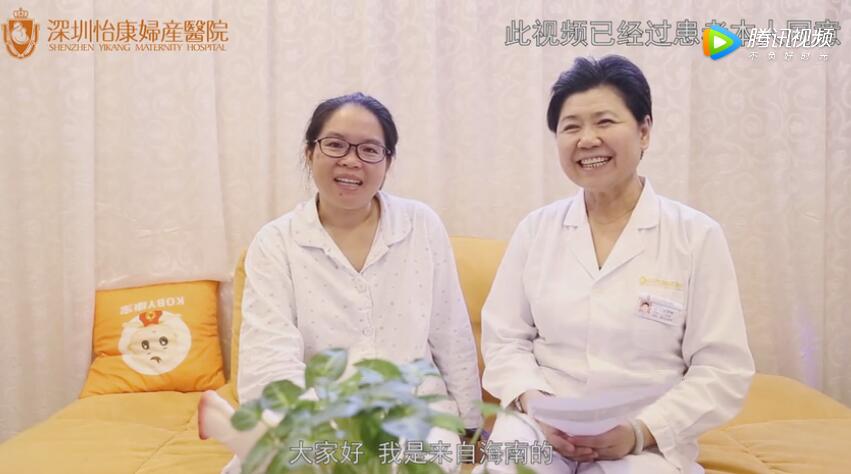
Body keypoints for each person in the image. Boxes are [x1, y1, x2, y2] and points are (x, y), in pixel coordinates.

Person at [478, 56, 754, 474]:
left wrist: (640, 431)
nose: (587, 139)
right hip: (540, 423)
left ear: (644, 131)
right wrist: (535, 402)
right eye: (571, 127)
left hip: (644, 434)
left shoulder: (696, 236)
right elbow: (504, 339)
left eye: (605, 122)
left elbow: (721, 368)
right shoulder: (536, 230)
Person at [227, 92, 482, 472]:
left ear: (387, 162)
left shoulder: (420, 225)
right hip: (314, 418)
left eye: (369, 150)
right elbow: (268, 359)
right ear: (309, 152)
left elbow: (451, 331)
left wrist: (471, 426)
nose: (351, 160)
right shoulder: (276, 242)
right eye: (335, 145)